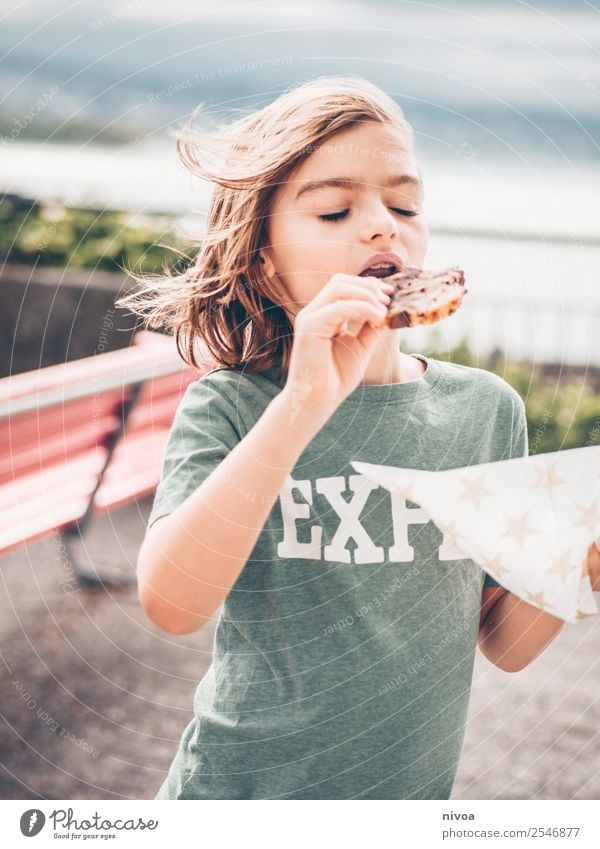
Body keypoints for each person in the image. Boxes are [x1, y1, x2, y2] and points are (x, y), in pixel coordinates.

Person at [118, 76, 575, 800]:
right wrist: (303, 402)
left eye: (405, 205)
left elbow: (504, 641)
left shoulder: (486, 411)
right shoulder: (233, 406)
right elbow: (173, 603)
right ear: (265, 262)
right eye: (335, 209)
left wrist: (578, 559)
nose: (382, 225)